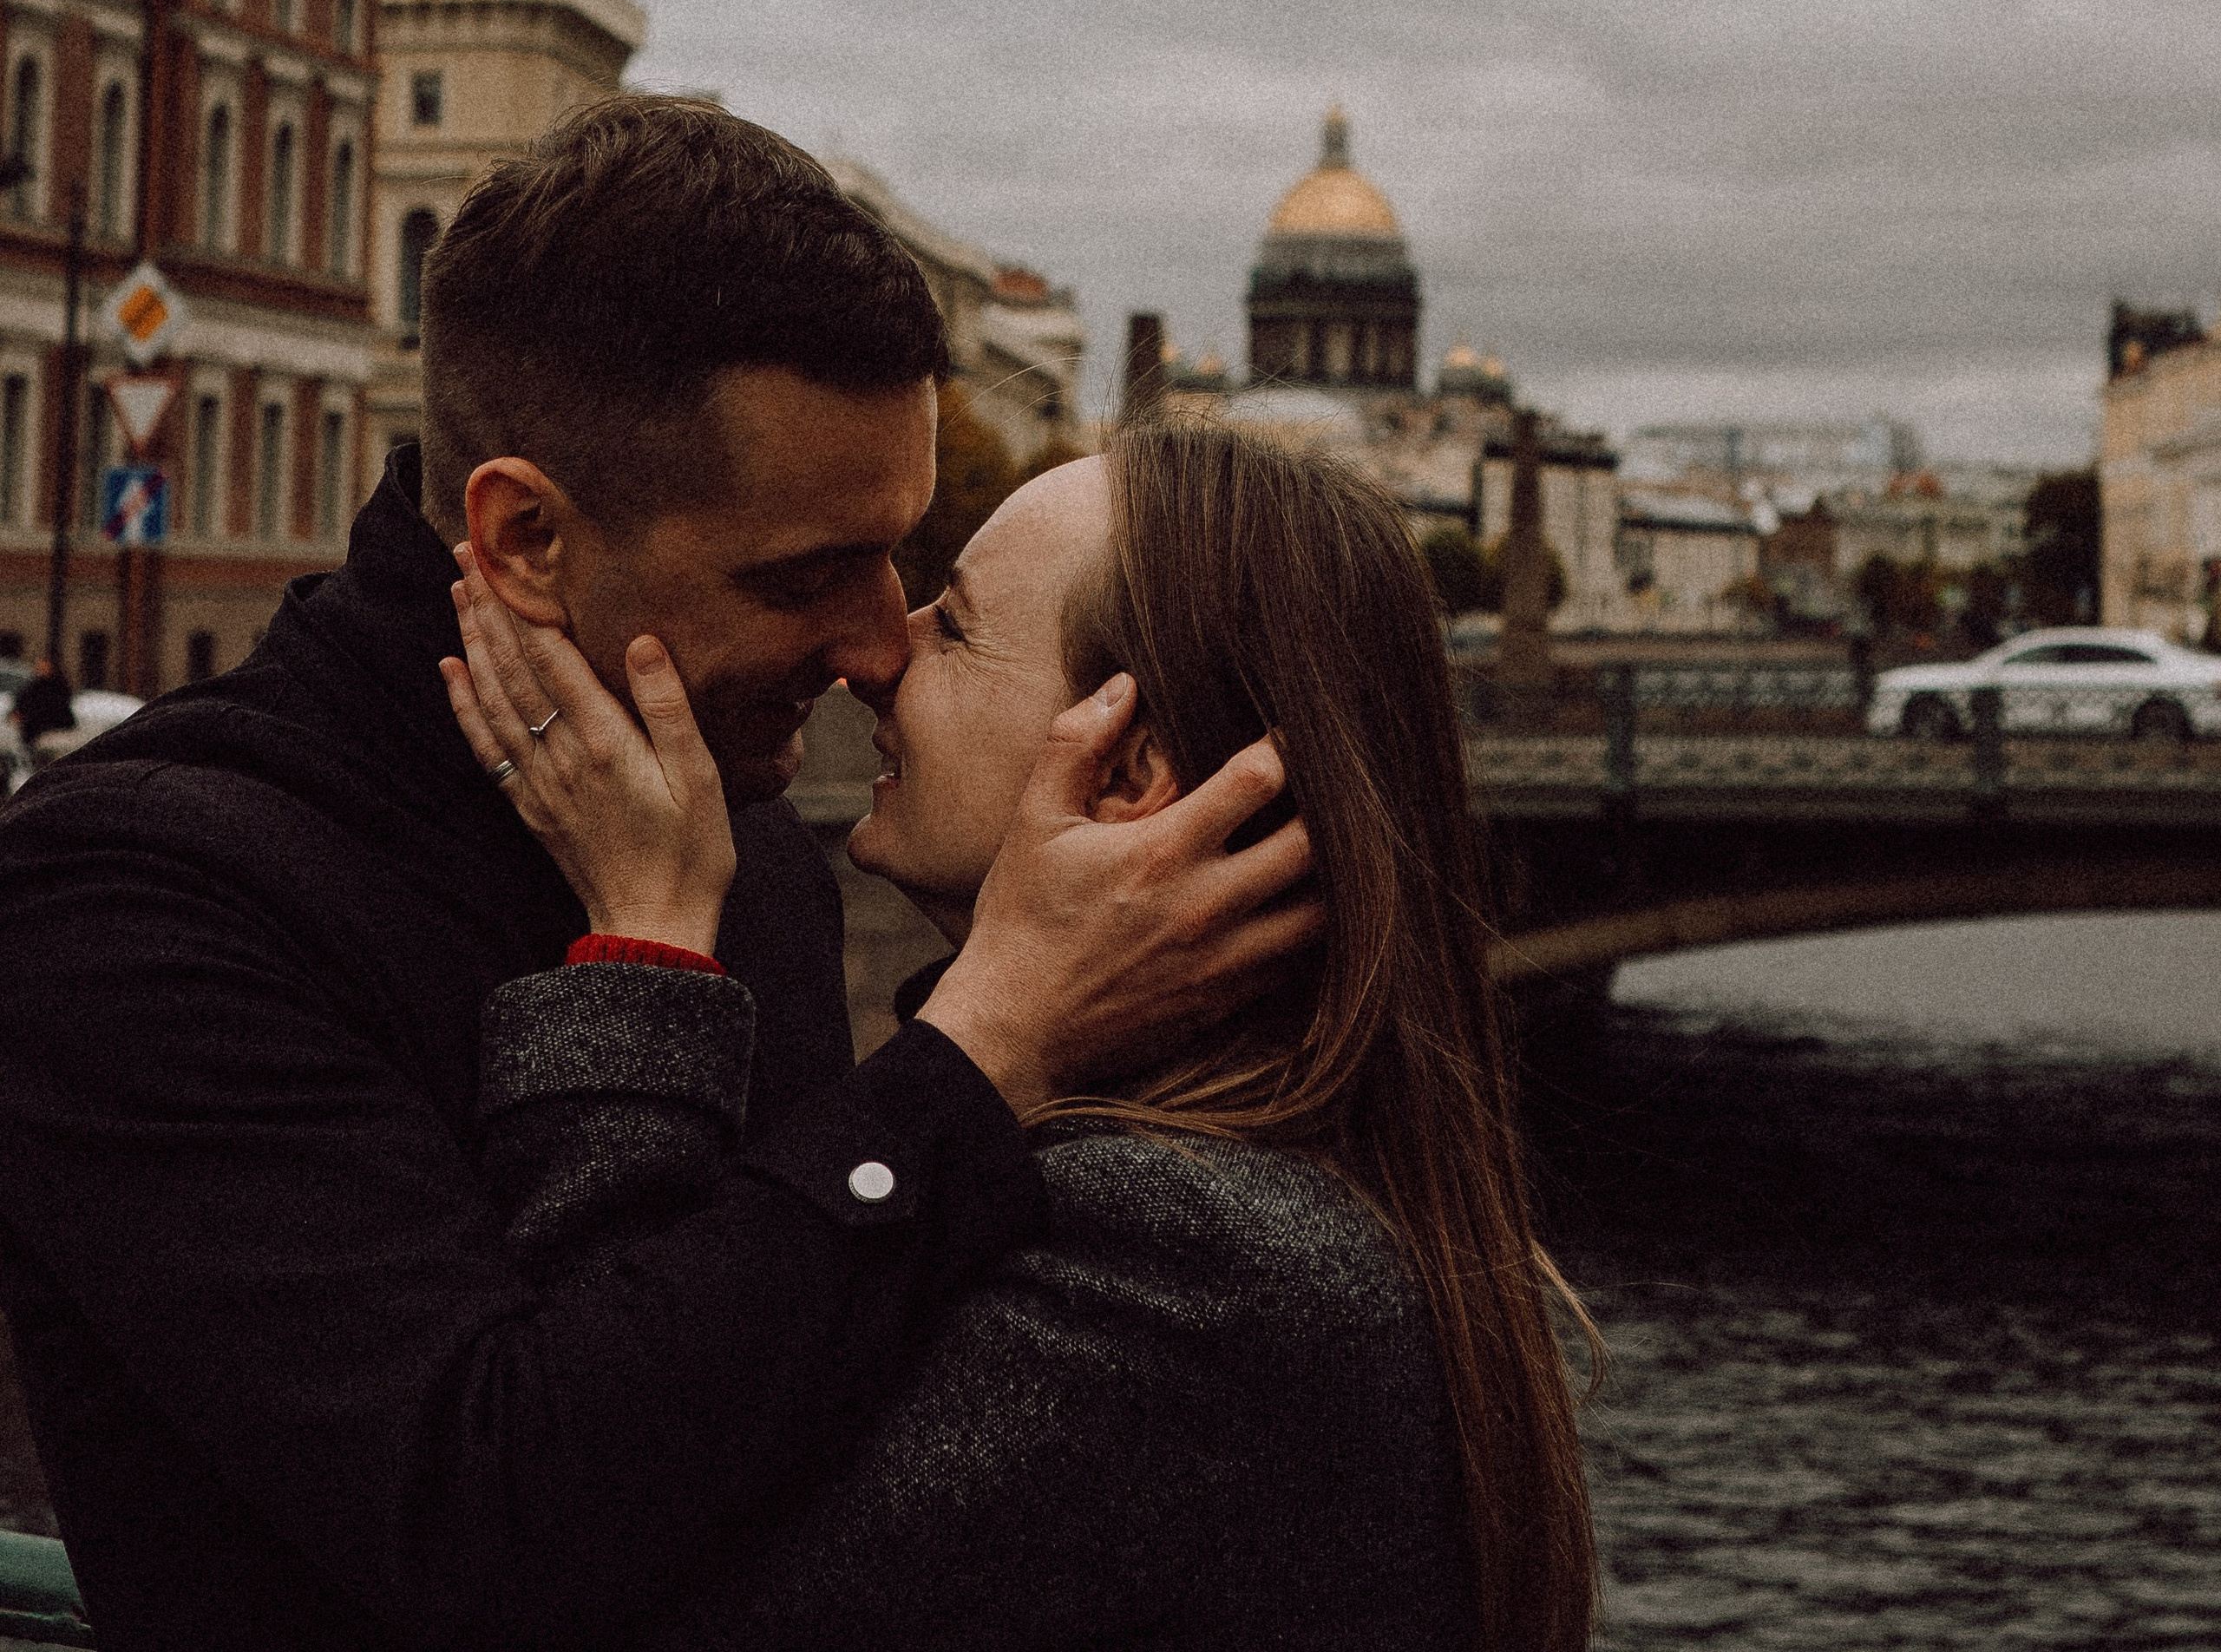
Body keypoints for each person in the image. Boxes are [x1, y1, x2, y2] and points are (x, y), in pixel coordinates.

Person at [0, 102, 1313, 1652]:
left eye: (897, 555)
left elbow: (800, 1447)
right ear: (528, 536)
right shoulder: (135, 897)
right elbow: (498, 1534)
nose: (880, 644)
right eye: (803, 574)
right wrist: (985, 1053)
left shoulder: (739, 844)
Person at [445, 416, 1599, 1652]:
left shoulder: (1186, 1256)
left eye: (958, 621)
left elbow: (598, 1558)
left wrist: (650, 946)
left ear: (1129, 766)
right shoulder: (1223, 1193)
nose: (882, 656)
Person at [9, 657, 75, 759]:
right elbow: (22, 701)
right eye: (39, 666)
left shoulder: (57, 687)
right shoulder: (34, 686)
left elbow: (54, 708)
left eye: (44, 666)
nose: (40, 669)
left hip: (52, 728)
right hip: (36, 730)